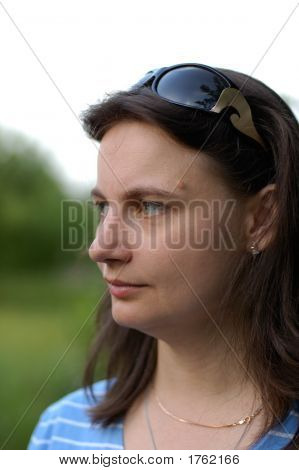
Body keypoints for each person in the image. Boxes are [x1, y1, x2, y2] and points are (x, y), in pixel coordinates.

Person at [28, 62, 299, 450]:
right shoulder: (59, 433)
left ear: (260, 220)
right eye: (104, 207)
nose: (100, 248)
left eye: (151, 207)